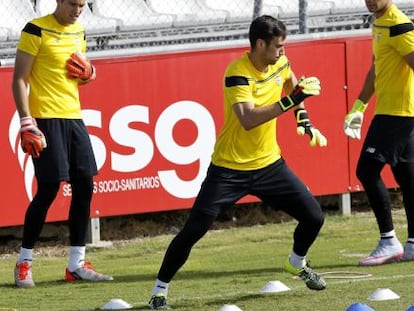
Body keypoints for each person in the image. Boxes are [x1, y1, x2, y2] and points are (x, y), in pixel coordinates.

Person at [149, 15, 328, 310]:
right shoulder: (237, 73)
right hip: (229, 170)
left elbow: (292, 84)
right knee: (194, 230)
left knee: (314, 217)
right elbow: (247, 119)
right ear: (260, 44)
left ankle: (297, 263)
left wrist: (303, 118)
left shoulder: (280, 62)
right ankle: (159, 292)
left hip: (270, 165)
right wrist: (291, 103)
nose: (283, 52)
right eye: (278, 46)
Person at [11, 0, 113, 287]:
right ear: (58, 0)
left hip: (73, 117)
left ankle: (76, 265)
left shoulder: (79, 31)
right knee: (48, 189)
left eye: (82, 4)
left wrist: (90, 74)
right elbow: (19, 79)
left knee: (85, 185)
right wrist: (26, 122)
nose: (77, 9)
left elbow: (77, 75)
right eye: (72, 4)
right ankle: (24, 262)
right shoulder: (36, 29)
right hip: (44, 118)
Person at [344, 0, 414, 266]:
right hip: (392, 112)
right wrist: (359, 106)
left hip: (398, 114)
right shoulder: (379, 23)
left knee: (367, 170)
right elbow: (376, 68)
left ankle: (388, 241)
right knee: (407, 179)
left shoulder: (399, 25)